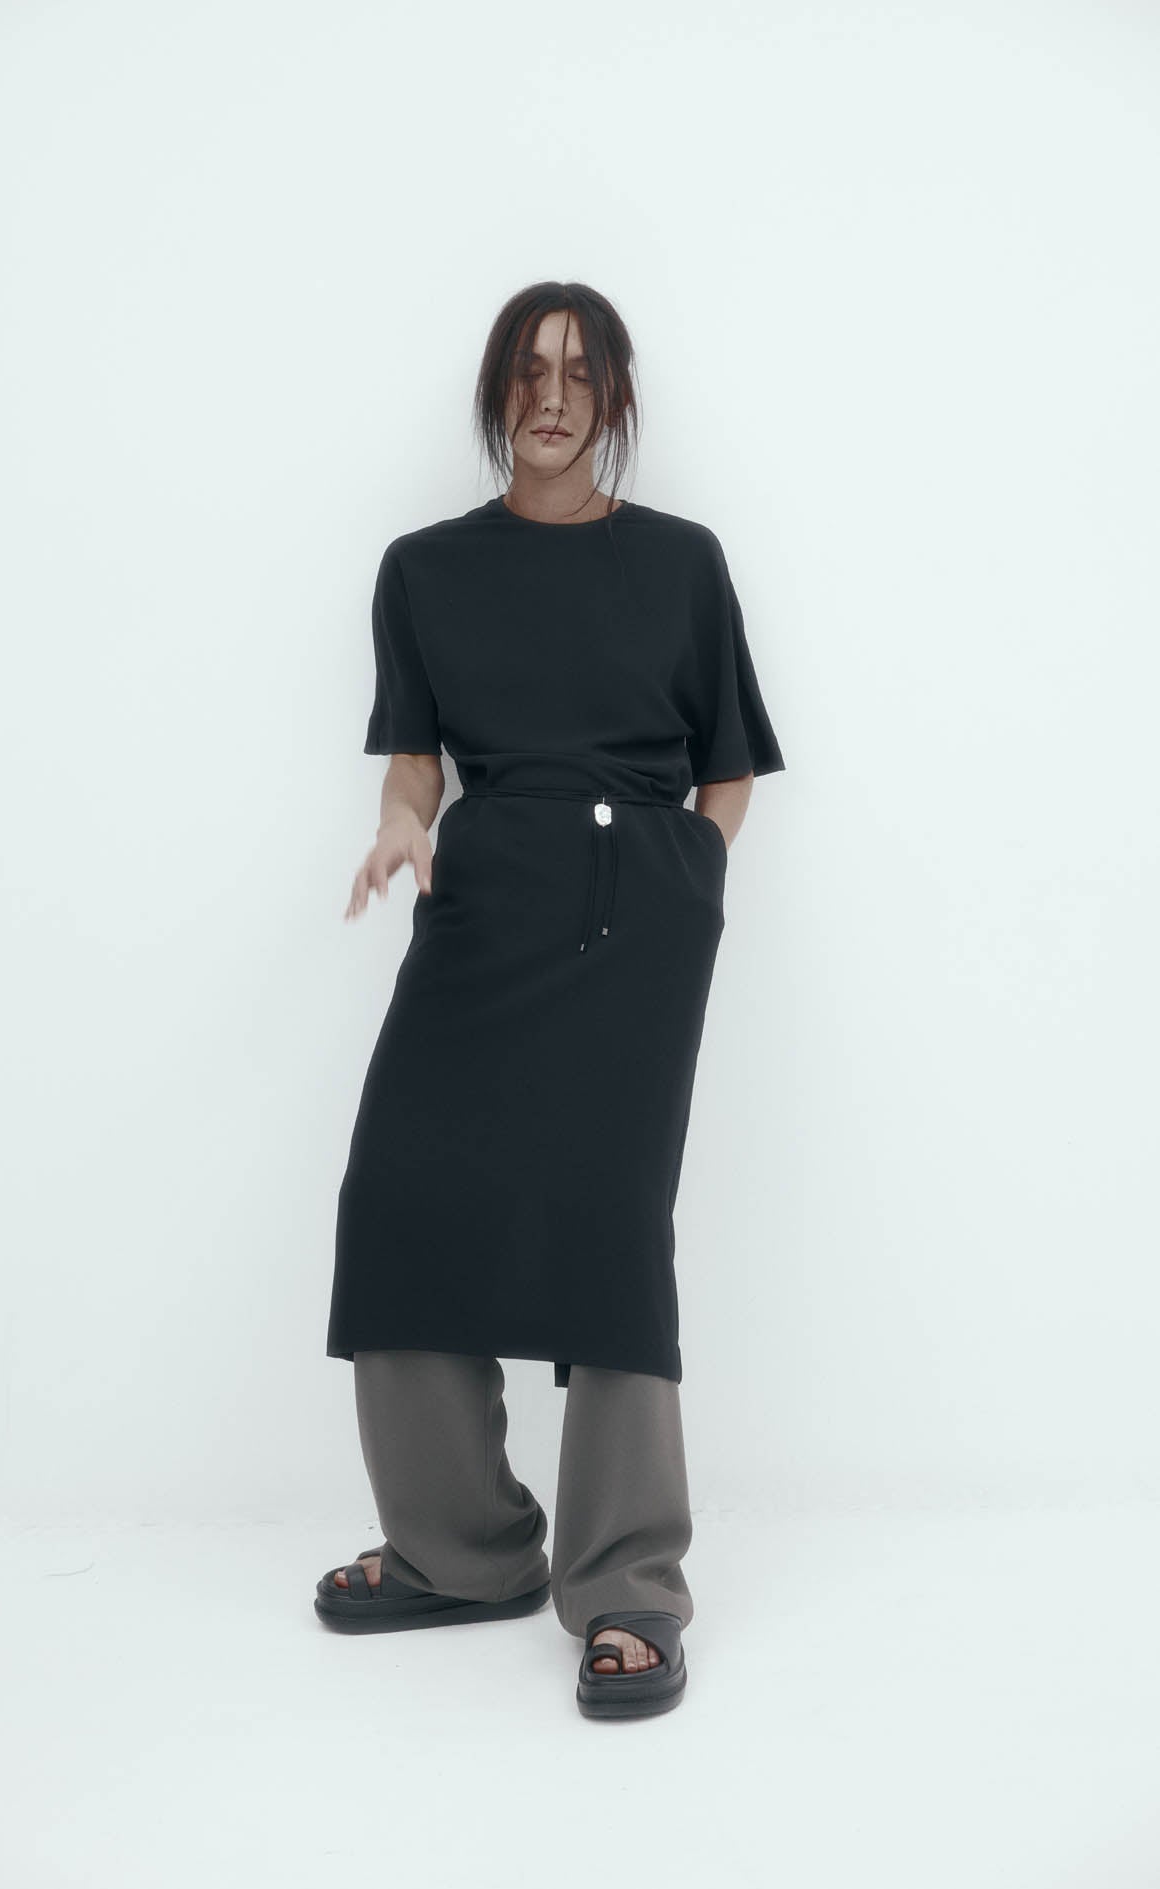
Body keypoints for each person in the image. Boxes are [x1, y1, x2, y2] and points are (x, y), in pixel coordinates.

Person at [315, 281, 785, 1719]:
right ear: (498, 392)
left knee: (607, 1227)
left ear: (615, 398)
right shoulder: (424, 570)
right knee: (400, 1194)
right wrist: (402, 826)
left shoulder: (683, 563)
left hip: (637, 914)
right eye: (529, 370)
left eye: (581, 372)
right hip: (482, 908)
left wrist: (687, 882)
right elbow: (414, 758)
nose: (553, 396)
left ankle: (627, 1582)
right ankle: (464, 1549)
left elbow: (729, 765)